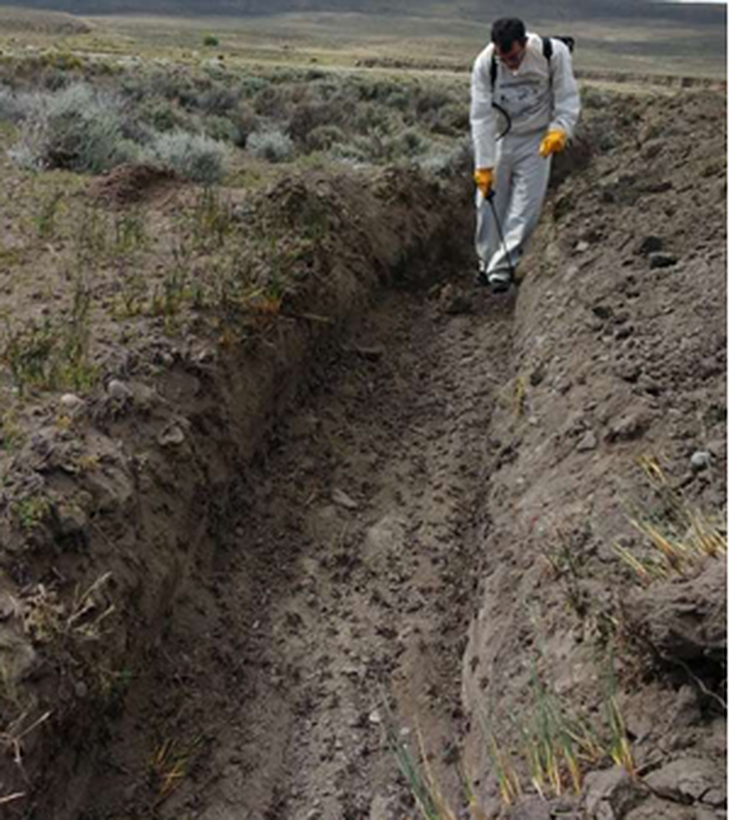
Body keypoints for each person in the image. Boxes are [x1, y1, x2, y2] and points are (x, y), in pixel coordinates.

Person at [470, 18, 581, 292]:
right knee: (488, 203)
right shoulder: (485, 64)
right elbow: (481, 117)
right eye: (503, 58)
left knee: (525, 207)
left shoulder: (552, 53)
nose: (510, 64)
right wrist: (483, 166)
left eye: (515, 57)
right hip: (501, 139)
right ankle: (486, 263)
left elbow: (567, 97)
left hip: (536, 140)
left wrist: (559, 131)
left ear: (525, 43)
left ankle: (502, 270)